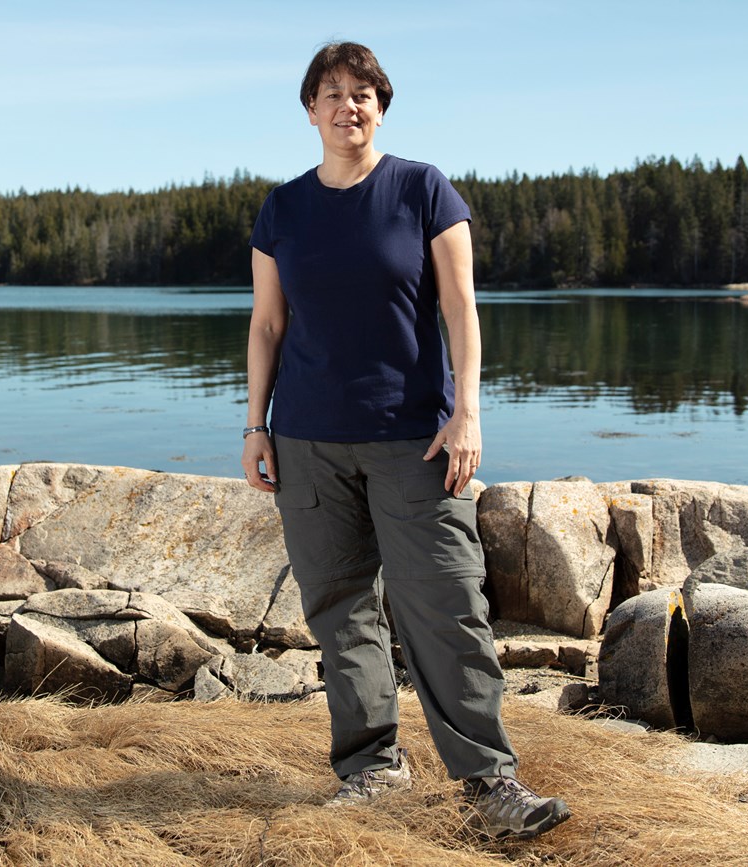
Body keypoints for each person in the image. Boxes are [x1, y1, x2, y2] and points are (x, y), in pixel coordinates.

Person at [240, 41, 570, 841]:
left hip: (415, 439)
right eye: (331, 92)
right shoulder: (283, 209)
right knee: (340, 609)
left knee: (447, 605)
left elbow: (462, 311)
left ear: (380, 106)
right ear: (309, 109)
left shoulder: (422, 189)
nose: (347, 105)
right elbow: (268, 324)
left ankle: (490, 780)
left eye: (363, 93)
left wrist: (470, 413)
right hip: (309, 441)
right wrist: (256, 423)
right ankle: (372, 768)